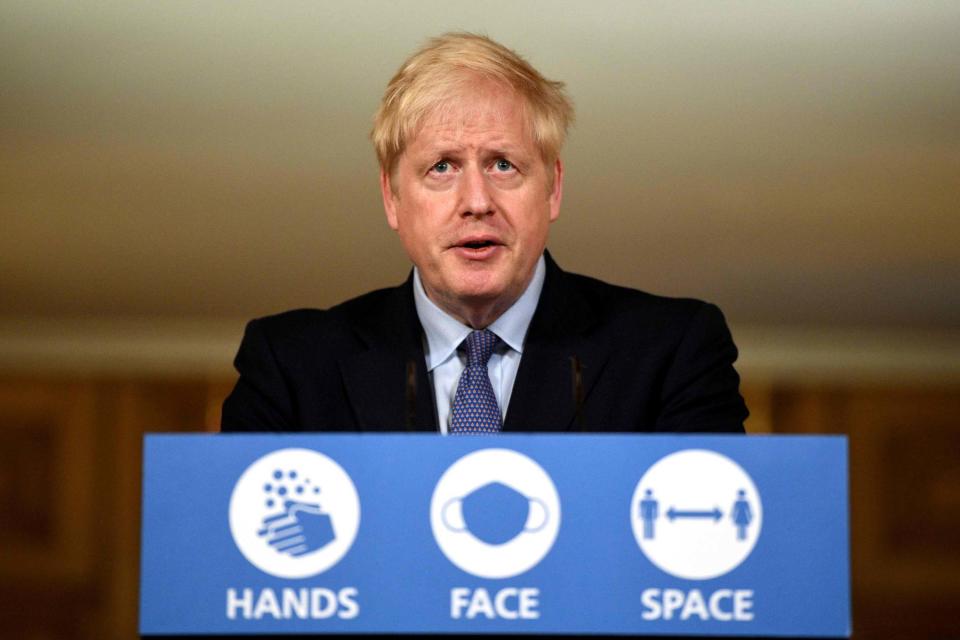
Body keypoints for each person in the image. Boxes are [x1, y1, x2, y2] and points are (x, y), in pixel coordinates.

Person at [221, 32, 748, 434]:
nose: (477, 203)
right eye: (442, 168)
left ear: (553, 189)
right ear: (392, 198)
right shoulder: (291, 366)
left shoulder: (674, 352)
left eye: (502, 165)